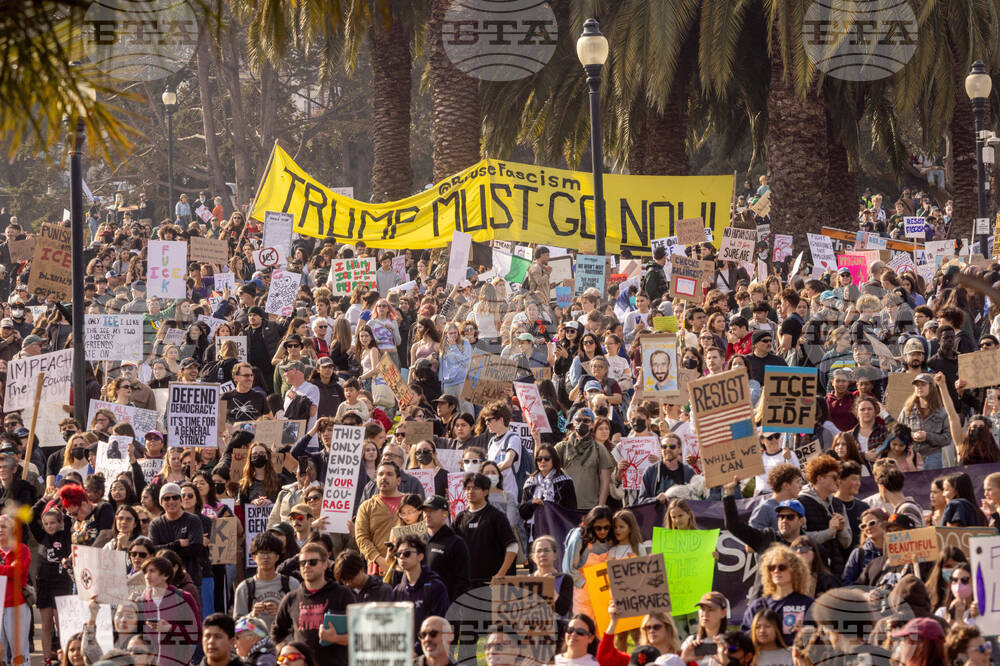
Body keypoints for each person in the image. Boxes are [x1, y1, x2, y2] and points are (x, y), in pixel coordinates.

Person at [271, 542, 356, 665]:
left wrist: (336, 638)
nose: (306, 566)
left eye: (312, 562)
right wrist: (288, 652)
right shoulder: (291, 598)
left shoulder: (342, 594)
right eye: (302, 563)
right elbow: (276, 633)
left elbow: (360, 635)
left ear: (325, 564)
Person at [741, 545, 813, 646]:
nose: (776, 571)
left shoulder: (807, 604)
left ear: (794, 570)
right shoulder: (758, 606)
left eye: (782, 567)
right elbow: (745, 637)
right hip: (763, 659)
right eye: (772, 568)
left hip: (794, 659)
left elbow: (814, 639)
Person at [453, 472, 517, 586]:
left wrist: (500, 574)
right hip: (466, 583)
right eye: (467, 488)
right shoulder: (460, 518)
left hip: (491, 584)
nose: (470, 491)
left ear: (486, 491)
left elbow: (513, 546)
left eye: (476, 488)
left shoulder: (496, 516)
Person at [233, 532, 300, 630]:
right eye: (262, 553)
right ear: (254, 557)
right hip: (255, 643)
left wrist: (280, 615)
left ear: (277, 556)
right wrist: (251, 616)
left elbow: (301, 620)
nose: (266, 557)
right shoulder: (244, 588)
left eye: (270, 553)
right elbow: (237, 627)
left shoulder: (292, 584)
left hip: (284, 642)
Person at [149, 482, 206, 588]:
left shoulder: (193, 520)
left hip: (189, 581)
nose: (171, 501)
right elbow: (153, 550)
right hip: (163, 582)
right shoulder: (155, 524)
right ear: (161, 502)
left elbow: (195, 549)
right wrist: (177, 544)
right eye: (167, 498)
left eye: (175, 497)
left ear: (181, 500)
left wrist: (165, 551)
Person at [391, 533, 450, 632]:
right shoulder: (397, 591)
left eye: (407, 553)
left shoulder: (436, 587)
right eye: (398, 554)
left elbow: (441, 624)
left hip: (429, 645)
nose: (401, 556)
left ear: (420, 556)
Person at [421, 495, 471, 602]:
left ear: (445, 514)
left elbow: (462, 581)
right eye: (425, 511)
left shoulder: (456, 543)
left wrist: (453, 608)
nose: (427, 515)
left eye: (432, 511)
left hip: (445, 607)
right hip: (421, 605)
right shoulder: (418, 541)